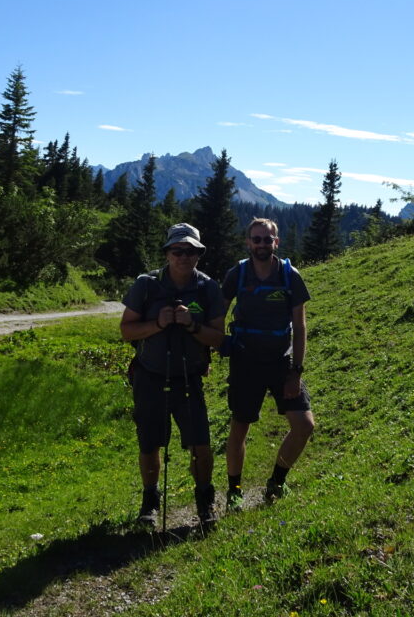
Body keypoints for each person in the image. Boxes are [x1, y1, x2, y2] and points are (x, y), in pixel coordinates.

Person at [120, 223, 226, 530]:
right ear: (167, 253)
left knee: (201, 445)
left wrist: (192, 325)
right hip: (150, 376)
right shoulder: (146, 284)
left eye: (190, 251)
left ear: (199, 255)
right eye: (177, 250)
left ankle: (205, 501)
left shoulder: (208, 288)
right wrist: (159, 324)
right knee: (149, 444)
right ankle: (149, 503)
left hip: (189, 378)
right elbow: (126, 331)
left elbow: (219, 339)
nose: (183, 256)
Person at [221, 218, 314, 510]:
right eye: (256, 239)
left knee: (304, 425)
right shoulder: (237, 274)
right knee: (239, 429)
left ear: (277, 242)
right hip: (245, 361)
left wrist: (295, 372)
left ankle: (276, 482)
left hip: (281, 361)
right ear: (248, 242)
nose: (262, 244)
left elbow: (299, 328)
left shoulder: (290, 276)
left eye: (267, 239)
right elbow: (217, 316)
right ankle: (234, 491)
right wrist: (210, 346)